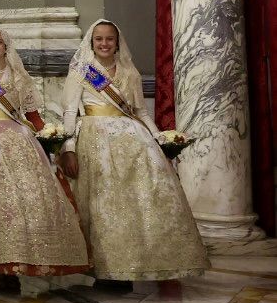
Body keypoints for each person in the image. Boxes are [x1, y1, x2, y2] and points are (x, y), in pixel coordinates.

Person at [60, 20, 207, 282]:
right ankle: (103, 266)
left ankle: (133, 262)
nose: (104, 43)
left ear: (117, 43)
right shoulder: (81, 71)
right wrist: (68, 148)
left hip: (132, 139)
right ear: (91, 42)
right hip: (95, 140)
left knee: (139, 201)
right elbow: (70, 112)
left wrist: (159, 139)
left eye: (109, 39)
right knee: (103, 204)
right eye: (99, 39)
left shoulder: (130, 72)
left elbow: (140, 112)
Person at [0, 25, 89, 289]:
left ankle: (18, 263)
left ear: (6, 45)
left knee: (24, 200)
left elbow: (33, 116)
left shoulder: (20, 76)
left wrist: (48, 136)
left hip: (20, 140)